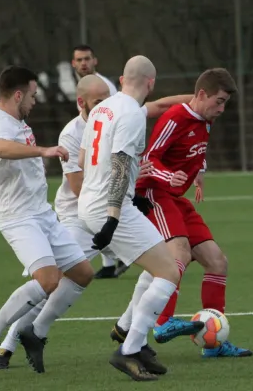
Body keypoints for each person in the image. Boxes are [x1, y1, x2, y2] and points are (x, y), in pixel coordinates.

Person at [0, 75, 193, 369]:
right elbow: (79, 186)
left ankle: (128, 330)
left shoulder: (116, 113)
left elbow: (158, 105)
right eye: (99, 101)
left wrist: (200, 99)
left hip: (109, 209)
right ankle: (7, 344)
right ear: (82, 103)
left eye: (108, 98)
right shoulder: (71, 134)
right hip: (80, 217)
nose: (105, 105)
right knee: (52, 282)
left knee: (163, 260)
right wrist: (130, 181)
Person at [111, 68, 252, 358]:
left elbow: (196, 152)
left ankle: (213, 343)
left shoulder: (206, 120)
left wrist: (199, 172)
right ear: (202, 95)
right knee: (179, 253)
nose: (222, 108)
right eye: (219, 101)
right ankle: (162, 323)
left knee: (217, 262)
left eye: (225, 102)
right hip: (155, 194)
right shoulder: (176, 117)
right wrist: (168, 177)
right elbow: (151, 158)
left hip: (177, 199)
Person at [0, 65, 94, 373]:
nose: (35, 101)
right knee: (48, 280)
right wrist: (43, 150)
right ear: (17, 94)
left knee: (82, 273)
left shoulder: (15, 119)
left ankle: (34, 332)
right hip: (18, 216)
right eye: (32, 96)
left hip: (42, 212)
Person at [78, 55, 183, 381]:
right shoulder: (133, 114)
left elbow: (85, 159)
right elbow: (122, 163)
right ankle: (129, 349)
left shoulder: (101, 108)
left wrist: (131, 197)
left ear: (122, 79)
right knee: (169, 271)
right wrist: (113, 216)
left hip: (93, 200)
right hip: (107, 208)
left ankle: (132, 337)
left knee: (160, 263)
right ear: (151, 84)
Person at [71, 44, 127, 278]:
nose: (83, 63)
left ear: (96, 61)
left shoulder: (105, 87)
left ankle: (122, 254)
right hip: (92, 150)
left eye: (87, 59)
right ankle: (110, 261)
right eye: (79, 60)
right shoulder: (82, 87)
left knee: (105, 202)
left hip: (108, 152)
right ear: (73, 64)